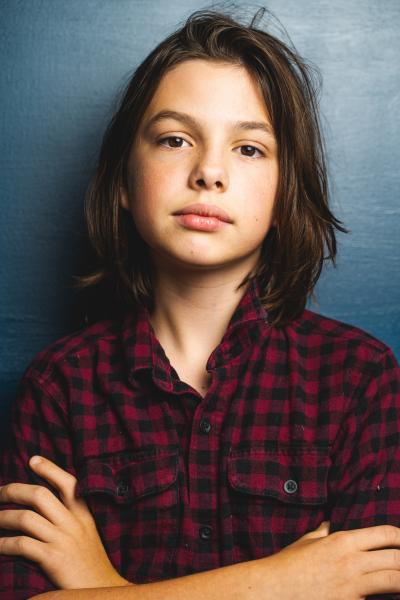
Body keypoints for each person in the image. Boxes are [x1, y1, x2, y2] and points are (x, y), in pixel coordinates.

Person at [1, 6, 400, 600]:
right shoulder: (60, 387)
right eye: (175, 139)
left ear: (285, 190)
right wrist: (284, 583)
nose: (209, 172)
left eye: (249, 149)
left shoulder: (359, 379)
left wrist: (97, 587)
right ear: (123, 181)